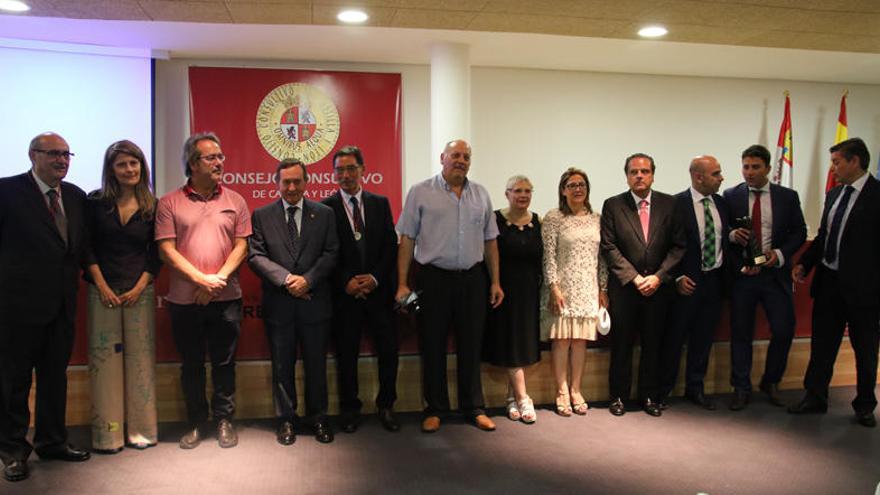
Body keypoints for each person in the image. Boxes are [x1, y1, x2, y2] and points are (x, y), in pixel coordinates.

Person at [0, 132, 91, 483]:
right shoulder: (7, 192)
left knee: (55, 379)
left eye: (67, 154)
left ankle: (52, 441)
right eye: (53, 154)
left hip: (62, 307)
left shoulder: (76, 196)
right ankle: (11, 450)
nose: (62, 160)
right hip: (15, 309)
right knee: (13, 383)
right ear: (32, 155)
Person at [396, 139, 503, 433]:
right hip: (433, 279)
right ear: (442, 158)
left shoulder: (481, 194)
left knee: (471, 345)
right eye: (455, 155)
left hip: (472, 279)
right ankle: (435, 409)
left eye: (466, 156)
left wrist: (495, 281)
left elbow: (490, 241)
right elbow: (407, 239)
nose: (461, 160)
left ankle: (474, 407)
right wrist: (402, 284)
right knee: (432, 345)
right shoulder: (420, 192)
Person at [155, 132, 251, 449]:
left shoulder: (235, 200)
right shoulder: (169, 202)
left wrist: (216, 280)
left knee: (225, 364)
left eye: (221, 156)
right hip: (185, 301)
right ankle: (197, 422)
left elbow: (242, 246)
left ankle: (224, 420)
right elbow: (167, 250)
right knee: (192, 364)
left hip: (226, 299)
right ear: (192, 163)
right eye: (212, 157)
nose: (219, 162)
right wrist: (201, 280)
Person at [790, 137, 879, 428]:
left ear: (855, 161)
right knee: (822, 345)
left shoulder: (877, 196)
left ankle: (865, 405)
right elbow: (824, 235)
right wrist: (805, 263)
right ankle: (815, 397)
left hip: (864, 290)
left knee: (865, 348)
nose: (833, 168)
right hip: (829, 282)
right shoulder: (834, 194)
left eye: (837, 161)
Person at [249, 159, 339, 444]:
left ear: (306, 182)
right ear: (277, 183)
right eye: (285, 182)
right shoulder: (262, 215)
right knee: (282, 367)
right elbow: (256, 256)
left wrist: (308, 280)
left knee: (316, 366)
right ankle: (286, 420)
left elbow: (331, 253)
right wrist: (288, 279)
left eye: (296, 181)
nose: (291, 187)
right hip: (280, 305)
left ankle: (319, 418)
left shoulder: (324, 214)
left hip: (315, 303)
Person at [84, 140, 161, 453]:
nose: (130, 170)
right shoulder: (94, 202)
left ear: (142, 166)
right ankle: (109, 435)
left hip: (139, 292)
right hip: (101, 290)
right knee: (105, 365)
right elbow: (86, 247)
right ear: (111, 170)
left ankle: (142, 432)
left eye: (134, 163)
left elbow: (156, 254)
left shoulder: (153, 206)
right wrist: (101, 285)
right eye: (122, 164)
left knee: (141, 362)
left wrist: (140, 287)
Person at [322, 146, 400, 433]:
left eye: (351, 168)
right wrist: (347, 281)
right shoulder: (325, 207)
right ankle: (350, 409)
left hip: (379, 293)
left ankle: (386, 405)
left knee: (389, 351)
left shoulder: (380, 203)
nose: (345, 175)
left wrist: (375, 278)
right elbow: (326, 251)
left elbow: (390, 246)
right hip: (345, 295)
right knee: (346, 354)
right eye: (339, 170)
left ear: (363, 170)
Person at [601, 153, 685, 417]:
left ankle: (649, 396)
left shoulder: (670, 204)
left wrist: (659, 276)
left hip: (658, 288)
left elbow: (679, 246)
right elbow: (609, 246)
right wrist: (635, 277)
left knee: (653, 345)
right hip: (626, 288)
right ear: (626, 176)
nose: (639, 176)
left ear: (652, 175)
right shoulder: (613, 205)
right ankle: (617, 397)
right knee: (622, 345)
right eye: (634, 172)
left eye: (645, 171)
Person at [723, 144, 806, 411]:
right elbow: (723, 231)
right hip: (744, 276)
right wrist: (732, 236)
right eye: (745, 166)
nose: (749, 172)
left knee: (783, 329)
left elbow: (800, 232)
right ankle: (741, 387)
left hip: (775, 276)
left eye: (755, 167)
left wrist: (780, 254)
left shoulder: (787, 197)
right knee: (741, 333)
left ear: (768, 168)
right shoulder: (730, 195)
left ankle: (771, 382)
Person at [658, 155, 727, 410]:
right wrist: (675, 277)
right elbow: (664, 246)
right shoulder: (675, 205)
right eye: (716, 173)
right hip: (684, 285)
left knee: (703, 339)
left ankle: (695, 388)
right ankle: (663, 390)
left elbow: (722, 239)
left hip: (714, 282)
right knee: (674, 340)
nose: (721, 178)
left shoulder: (722, 203)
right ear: (699, 177)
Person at [542, 168, 607, 417]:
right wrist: (553, 286)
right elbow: (548, 256)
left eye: (581, 184)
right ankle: (560, 392)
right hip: (562, 288)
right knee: (562, 341)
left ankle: (576, 390)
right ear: (563, 190)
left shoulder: (597, 218)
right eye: (572, 185)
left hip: (587, 288)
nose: (578, 188)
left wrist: (603, 288)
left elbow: (602, 258)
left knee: (580, 341)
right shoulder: (554, 217)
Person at [484, 175, 543, 424]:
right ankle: (523, 397)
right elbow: (489, 253)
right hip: (502, 292)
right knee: (510, 343)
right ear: (506, 193)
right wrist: (495, 283)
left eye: (527, 191)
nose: (523, 195)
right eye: (517, 190)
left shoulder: (538, 221)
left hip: (529, 292)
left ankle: (511, 398)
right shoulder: (495, 219)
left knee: (523, 344)